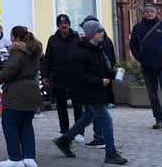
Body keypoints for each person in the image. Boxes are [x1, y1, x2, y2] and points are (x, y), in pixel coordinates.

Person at [52, 20, 127, 165]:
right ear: (92, 33)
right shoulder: (81, 52)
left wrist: (113, 74)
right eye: (100, 32)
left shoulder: (98, 50)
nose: (103, 34)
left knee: (87, 117)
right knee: (107, 120)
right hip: (89, 92)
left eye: (103, 31)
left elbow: (102, 70)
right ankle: (110, 152)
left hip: (97, 91)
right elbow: (79, 75)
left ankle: (64, 140)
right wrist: (98, 81)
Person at [129, 4, 162, 130]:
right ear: (143, 14)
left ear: (156, 13)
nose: (149, 13)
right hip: (147, 65)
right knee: (152, 93)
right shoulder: (138, 28)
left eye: (152, 12)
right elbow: (133, 45)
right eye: (147, 12)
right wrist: (140, 57)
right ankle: (158, 118)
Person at [0, 25, 43, 167]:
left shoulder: (17, 52)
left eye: (11, 37)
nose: (10, 40)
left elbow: (9, 71)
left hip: (16, 94)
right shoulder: (34, 51)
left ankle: (15, 158)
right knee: (26, 126)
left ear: (17, 38)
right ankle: (29, 157)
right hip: (32, 92)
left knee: (10, 126)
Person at [42, 14, 85, 142]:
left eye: (66, 23)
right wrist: (45, 75)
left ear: (69, 24)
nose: (63, 25)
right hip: (58, 77)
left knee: (78, 106)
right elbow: (47, 59)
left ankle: (78, 132)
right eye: (61, 24)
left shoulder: (77, 39)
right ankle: (64, 131)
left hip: (75, 78)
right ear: (58, 25)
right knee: (61, 106)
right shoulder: (53, 40)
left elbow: (83, 58)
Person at [80, 15, 116, 148]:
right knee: (89, 115)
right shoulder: (91, 45)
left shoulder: (98, 44)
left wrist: (105, 76)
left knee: (101, 116)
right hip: (100, 82)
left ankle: (102, 140)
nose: (102, 34)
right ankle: (67, 138)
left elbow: (109, 59)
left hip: (98, 84)